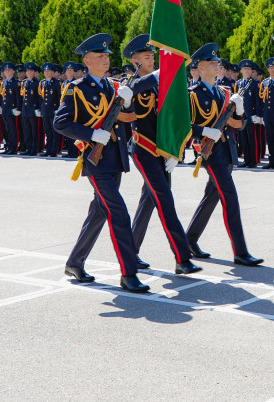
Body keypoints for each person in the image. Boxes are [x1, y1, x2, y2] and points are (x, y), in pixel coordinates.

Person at [57, 32, 149, 293]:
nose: (106, 59)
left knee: (99, 211)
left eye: (107, 55)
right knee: (118, 213)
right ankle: (128, 273)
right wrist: (91, 135)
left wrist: (128, 101)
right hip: (95, 161)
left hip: (115, 157)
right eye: (100, 56)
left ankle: (75, 262)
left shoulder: (114, 87)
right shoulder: (76, 88)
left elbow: (128, 117)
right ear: (87, 60)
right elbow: (60, 123)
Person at [123, 34, 202, 276]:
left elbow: (172, 115)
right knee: (165, 201)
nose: (153, 60)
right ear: (135, 61)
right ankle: (182, 258)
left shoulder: (161, 82)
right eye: (147, 57)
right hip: (144, 149)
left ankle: (131, 252)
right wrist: (155, 77)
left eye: (153, 56)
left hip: (162, 150)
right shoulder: (131, 83)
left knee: (148, 202)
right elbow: (131, 91)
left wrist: (174, 150)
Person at [184, 43, 263, 267]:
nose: (217, 65)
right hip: (211, 153)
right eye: (211, 62)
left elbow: (239, 125)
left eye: (216, 62)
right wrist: (203, 131)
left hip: (227, 152)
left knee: (211, 197)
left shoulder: (223, 93)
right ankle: (240, 251)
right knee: (230, 198)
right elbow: (185, 126)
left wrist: (239, 109)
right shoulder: (192, 95)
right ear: (199, 67)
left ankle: (188, 240)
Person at [39, 63, 62, 157]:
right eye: (45, 71)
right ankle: (48, 150)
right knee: (47, 132)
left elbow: (59, 97)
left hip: (53, 110)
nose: (47, 73)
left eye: (49, 71)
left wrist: (58, 109)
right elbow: (41, 97)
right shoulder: (43, 83)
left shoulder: (56, 83)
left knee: (54, 132)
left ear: (53, 73)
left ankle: (54, 151)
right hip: (45, 110)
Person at [20, 62, 41, 156]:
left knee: (34, 131)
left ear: (34, 72)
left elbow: (39, 97)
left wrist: (38, 108)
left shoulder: (37, 83)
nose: (29, 72)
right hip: (25, 110)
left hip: (33, 111)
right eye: (27, 71)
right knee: (26, 130)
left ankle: (34, 148)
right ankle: (28, 148)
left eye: (31, 71)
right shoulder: (24, 82)